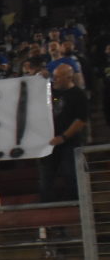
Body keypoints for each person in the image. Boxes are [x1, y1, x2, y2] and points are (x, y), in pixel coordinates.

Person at [39, 63, 88, 202]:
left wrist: (64, 137)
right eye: (54, 76)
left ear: (69, 77)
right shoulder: (53, 93)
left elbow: (81, 120)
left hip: (69, 142)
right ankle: (48, 210)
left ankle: (77, 206)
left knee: (71, 174)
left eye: (58, 77)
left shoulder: (78, 95)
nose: (55, 79)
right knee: (46, 177)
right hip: (50, 142)